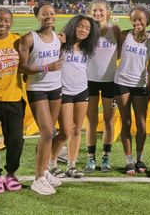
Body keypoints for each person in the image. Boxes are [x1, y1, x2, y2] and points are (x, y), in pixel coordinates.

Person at [19, 2, 62, 195]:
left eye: (52, 13)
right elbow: (23, 67)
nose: (49, 16)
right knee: (46, 132)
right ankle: (38, 179)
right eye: (45, 14)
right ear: (37, 16)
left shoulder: (58, 37)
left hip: (56, 88)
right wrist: (46, 68)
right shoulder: (30, 38)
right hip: (37, 89)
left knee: (50, 133)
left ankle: (44, 170)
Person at [49, 15, 99, 178]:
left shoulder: (87, 48)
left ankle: (71, 165)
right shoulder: (62, 44)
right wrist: (58, 42)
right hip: (64, 92)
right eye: (80, 26)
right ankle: (52, 163)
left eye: (87, 28)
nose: (83, 30)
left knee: (77, 129)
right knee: (65, 131)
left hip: (82, 91)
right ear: (73, 26)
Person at [0, 8, 24, 194]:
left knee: (16, 139)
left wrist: (60, 38)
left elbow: (42, 44)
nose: (3, 23)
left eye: (7, 20)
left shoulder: (18, 40)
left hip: (14, 97)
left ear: (11, 22)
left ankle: (11, 173)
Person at [114, 5, 150, 175]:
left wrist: (149, 87)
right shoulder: (124, 35)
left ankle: (140, 158)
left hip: (140, 85)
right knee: (126, 122)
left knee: (142, 124)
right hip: (122, 82)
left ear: (147, 21)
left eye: (140, 19)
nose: (137, 22)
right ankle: (129, 160)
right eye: (134, 19)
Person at [85, 0, 120, 173]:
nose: (97, 13)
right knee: (91, 121)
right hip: (89, 81)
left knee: (108, 120)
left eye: (101, 11)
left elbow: (122, 49)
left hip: (110, 81)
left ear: (108, 12)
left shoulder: (115, 30)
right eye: (94, 11)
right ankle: (90, 158)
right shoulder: (86, 31)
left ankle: (106, 157)